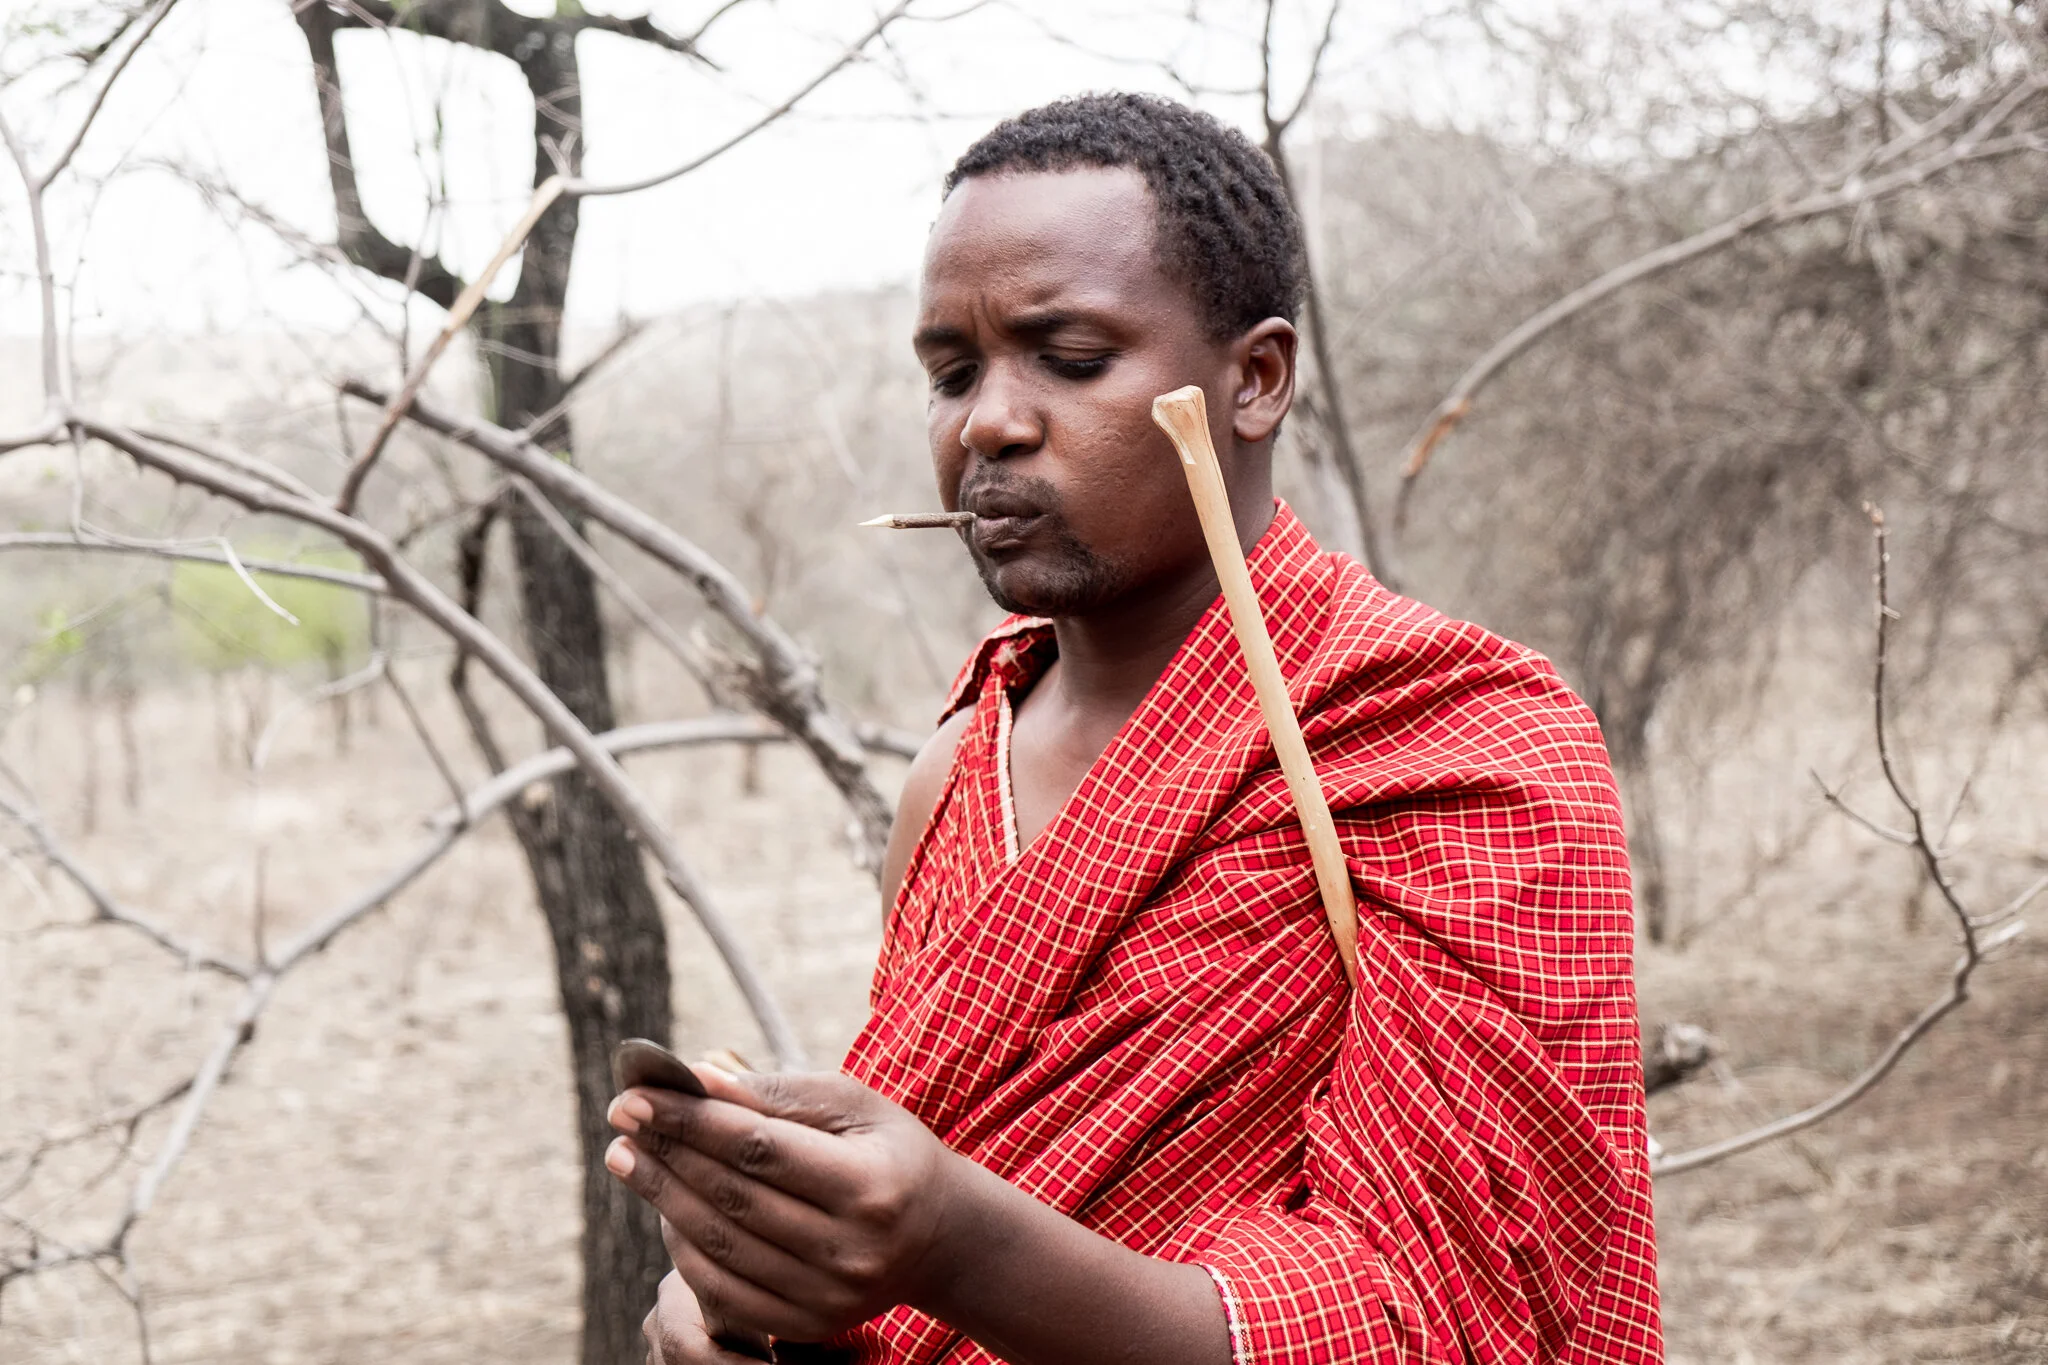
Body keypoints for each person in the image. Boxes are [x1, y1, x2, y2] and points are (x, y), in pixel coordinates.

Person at [603, 92, 1661, 1365]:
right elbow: (919, 1194)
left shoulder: (1456, 748)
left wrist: (950, 1244)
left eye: (1069, 356)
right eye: (950, 373)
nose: (986, 422)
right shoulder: (959, 767)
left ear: (1253, 380)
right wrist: (746, 1315)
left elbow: (1436, 1310)